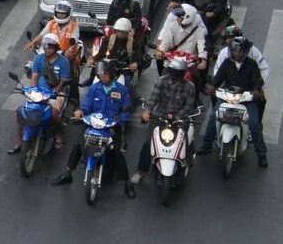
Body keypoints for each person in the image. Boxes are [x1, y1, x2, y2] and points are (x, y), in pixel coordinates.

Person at [51, 61, 134, 197]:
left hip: (111, 127)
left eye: (105, 74)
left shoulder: (122, 90)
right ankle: (68, 173)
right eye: (101, 74)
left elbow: (126, 111)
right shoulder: (95, 88)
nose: (102, 77)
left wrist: (119, 121)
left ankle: (127, 183)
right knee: (78, 145)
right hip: (93, 125)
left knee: (117, 152)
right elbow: (87, 106)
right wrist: (81, 112)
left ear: (112, 75)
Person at [198, 38, 268, 167]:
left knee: (254, 124)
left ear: (245, 52)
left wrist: (256, 91)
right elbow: (217, 80)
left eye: (240, 52)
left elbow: (258, 81)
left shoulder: (252, 65)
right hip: (228, 96)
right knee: (214, 117)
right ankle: (206, 144)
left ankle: (261, 154)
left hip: (246, 99)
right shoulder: (226, 63)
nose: (237, 54)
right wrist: (212, 88)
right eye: (235, 51)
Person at [130, 55, 199, 185]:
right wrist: (147, 111)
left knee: (184, 141)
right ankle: (141, 170)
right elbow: (153, 98)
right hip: (160, 116)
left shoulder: (190, 87)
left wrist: (177, 117)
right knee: (148, 144)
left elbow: (188, 107)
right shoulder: (161, 81)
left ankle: (185, 162)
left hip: (180, 119)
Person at [10, 34, 71, 153]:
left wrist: (57, 90)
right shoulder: (38, 59)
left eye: (50, 47)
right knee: (24, 113)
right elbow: (34, 76)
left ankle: (59, 133)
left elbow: (64, 81)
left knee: (54, 114)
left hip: (56, 93)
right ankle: (20, 140)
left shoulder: (64, 62)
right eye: (45, 47)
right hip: (39, 92)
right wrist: (34, 91)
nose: (47, 50)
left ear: (56, 48)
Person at [154, 3, 208, 81]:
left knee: (196, 85)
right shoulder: (172, 26)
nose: (177, 19)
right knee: (161, 81)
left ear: (186, 18)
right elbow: (166, 42)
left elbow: (201, 46)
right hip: (171, 61)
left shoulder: (199, 31)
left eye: (180, 17)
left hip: (188, 64)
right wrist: (161, 50)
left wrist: (203, 60)